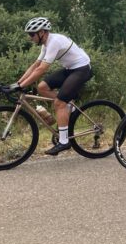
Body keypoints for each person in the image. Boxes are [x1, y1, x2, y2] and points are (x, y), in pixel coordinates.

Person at [13, 17, 92, 155]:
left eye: (32, 34)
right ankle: (69, 106)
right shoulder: (45, 44)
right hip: (70, 68)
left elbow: (41, 69)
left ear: (42, 32)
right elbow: (35, 65)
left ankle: (64, 142)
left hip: (82, 68)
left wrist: (22, 85)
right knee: (42, 87)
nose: (30, 38)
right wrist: (18, 83)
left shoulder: (54, 41)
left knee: (59, 103)